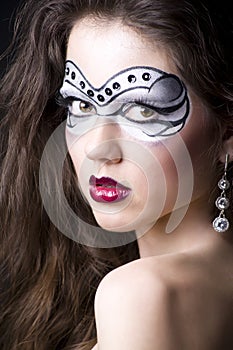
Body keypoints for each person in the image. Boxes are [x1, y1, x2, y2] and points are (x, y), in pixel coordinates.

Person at [0, 0, 233, 349]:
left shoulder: (140, 295)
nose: (97, 148)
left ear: (227, 133)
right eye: (81, 105)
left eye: (141, 109)